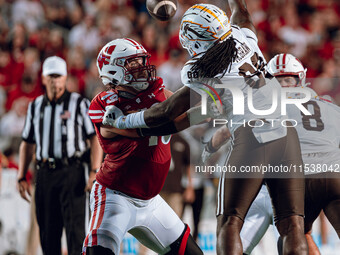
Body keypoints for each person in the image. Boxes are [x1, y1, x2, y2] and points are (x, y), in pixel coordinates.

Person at [101, 2, 308, 255]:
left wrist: (123, 121)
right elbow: (240, 11)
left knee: (229, 222)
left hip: (252, 135)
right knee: (292, 224)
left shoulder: (203, 68)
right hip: (287, 134)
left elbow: (166, 111)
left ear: (197, 40)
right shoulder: (244, 37)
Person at [203, 53, 340, 255]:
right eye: (280, 80)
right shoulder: (328, 105)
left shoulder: (264, 104)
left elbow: (226, 132)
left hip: (300, 177)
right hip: (334, 174)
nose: (284, 85)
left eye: (287, 80)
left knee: (294, 234)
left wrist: (208, 149)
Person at [83, 38, 203, 255]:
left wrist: (211, 98)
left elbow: (182, 111)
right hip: (115, 195)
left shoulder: (155, 91)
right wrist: (201, 109)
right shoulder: (103, 105)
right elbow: (154, 126)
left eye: (141, 60)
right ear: (113, 70)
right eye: (133, 63)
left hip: (150, 201)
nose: (142, 67)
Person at [17, 56, 103, 255]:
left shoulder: (79, 103)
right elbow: (27, 143)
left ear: (65, 78)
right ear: (43, 79)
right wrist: (22, 174)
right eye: (51, 76)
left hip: (72, 172)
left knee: (75, 231)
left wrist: (94, 170)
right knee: (48, 232)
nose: (55, 81)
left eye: (58, 76)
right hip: (45, 173)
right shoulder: (35, 106)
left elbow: (94, 139)